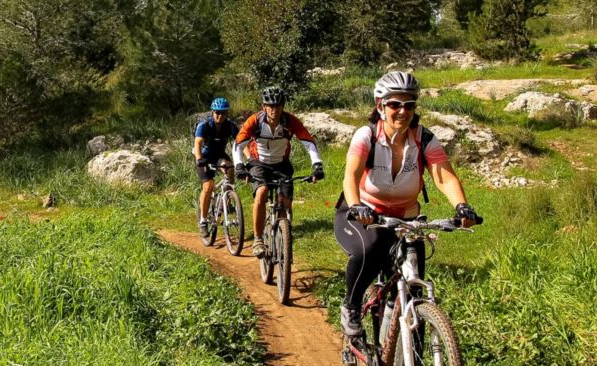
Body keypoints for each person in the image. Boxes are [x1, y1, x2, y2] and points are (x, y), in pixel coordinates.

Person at [334, 71, 480, 337]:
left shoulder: (424, 139)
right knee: (371, 248)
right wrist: (357, 206)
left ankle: (411, 364)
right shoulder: (366, 135)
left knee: (413, 287)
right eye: (395, 104)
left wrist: (462, 205)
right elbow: (351, 176)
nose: (403, 111)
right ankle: (351, 306)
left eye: (409, 105)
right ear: (380, 106)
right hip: (363, 212)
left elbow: (443, 175)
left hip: (407, 219)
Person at [233, 86, 325, 257]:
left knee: (285, 204)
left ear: (283, 106)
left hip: (281, 165)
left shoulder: (290, 122)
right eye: (270, 105)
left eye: (278, 105)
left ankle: (283, 234)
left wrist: (317, 164)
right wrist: (239, 165)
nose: (274, 109)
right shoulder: (255, 121)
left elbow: (308, 141)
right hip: (258, 163)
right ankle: (258, 239)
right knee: (262, 192)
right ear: (264, 106)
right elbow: (238, 144)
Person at [193, 97, 239, 238]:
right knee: (208, 186)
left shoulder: (230, 126)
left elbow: (240, 143)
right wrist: (199, 159)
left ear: (226, 114)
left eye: (223, 113)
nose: (220, 116)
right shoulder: (204, 125)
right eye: (217, 113)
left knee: (230, 169)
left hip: (219, 155)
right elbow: (198, 143)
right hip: (204, 157)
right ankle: (203, 221)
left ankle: (228, 200)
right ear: (212, 113)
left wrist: (248, 159)